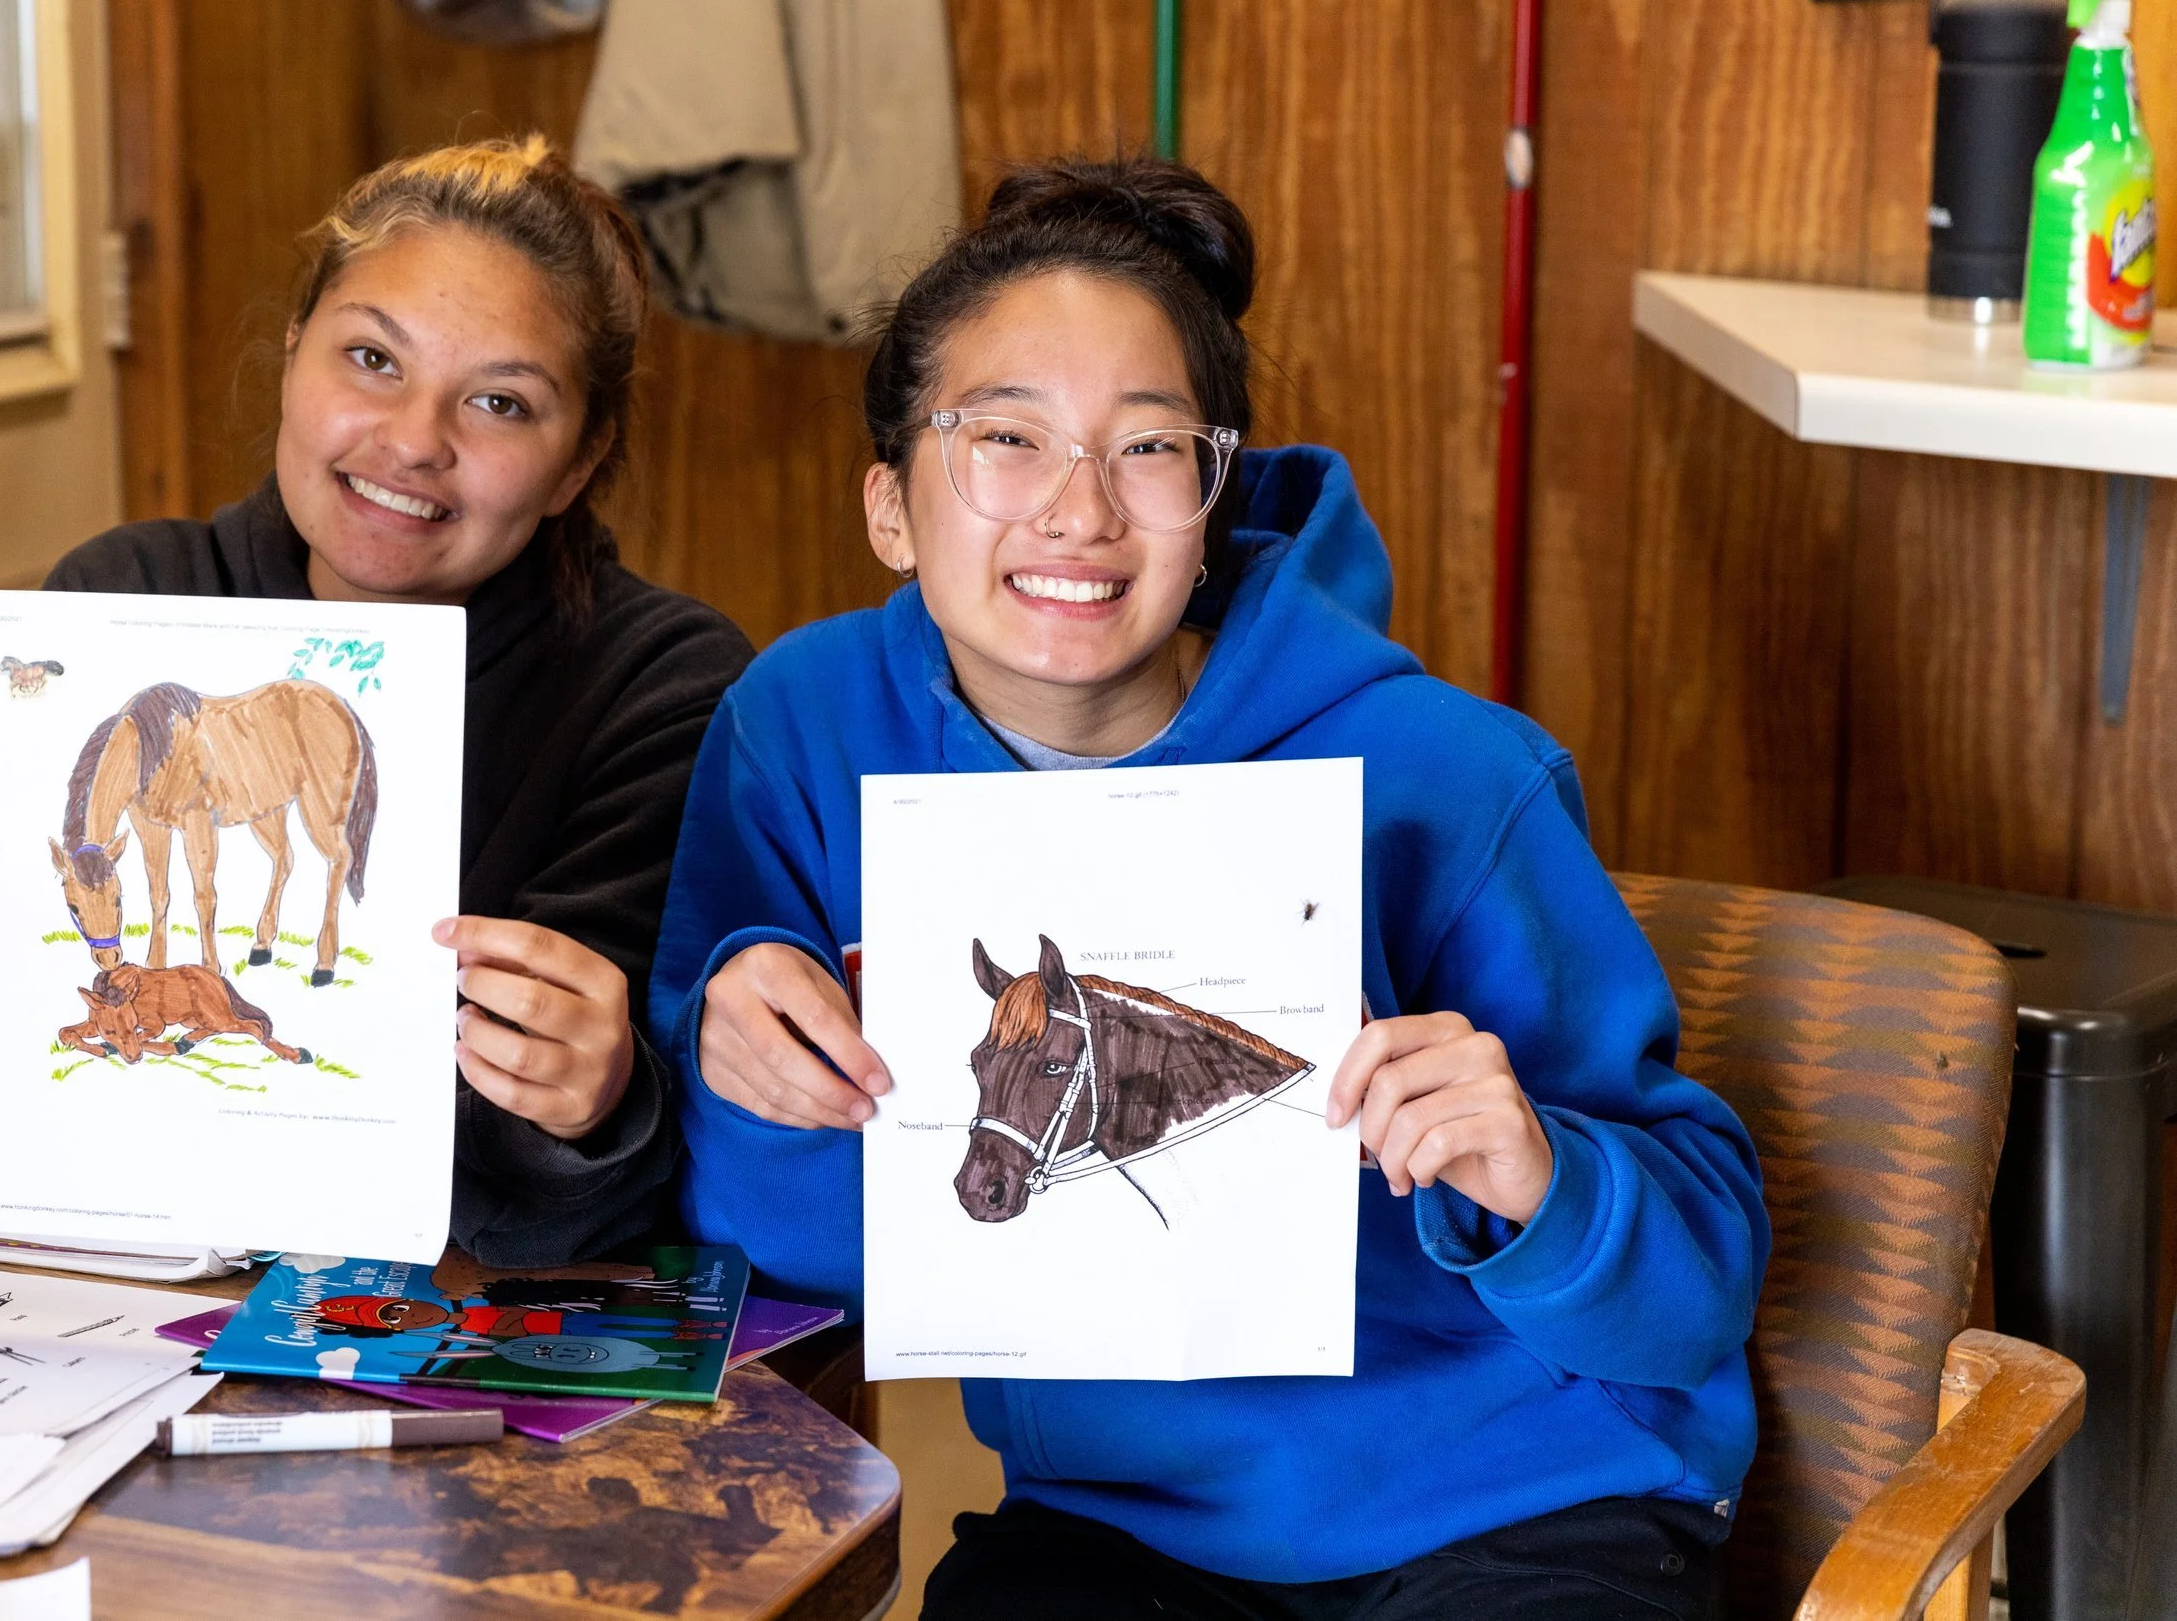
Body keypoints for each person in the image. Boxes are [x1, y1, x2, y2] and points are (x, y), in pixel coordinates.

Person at [647, 154, 1769, 1620]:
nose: (1077, 510)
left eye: (1150, 446)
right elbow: (781, 1252)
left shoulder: (1449, 776)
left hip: (1514, 1497)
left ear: (1214, 489)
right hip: (1123, 1528)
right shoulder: (803, 731)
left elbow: (1698, 1291)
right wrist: (742, 1069)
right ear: (889, 504)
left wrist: (1540, 1173)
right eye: (1004, 436)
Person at [0, 136, 752, 1267]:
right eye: (371, 359)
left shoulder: (660, 686)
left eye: (498, 401)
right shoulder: (122, 599)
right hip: (94, 1309)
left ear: (578, 461)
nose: (413, 440)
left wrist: (587, 1101)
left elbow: (534, 1190)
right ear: (294, 355)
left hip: (430, 1317)